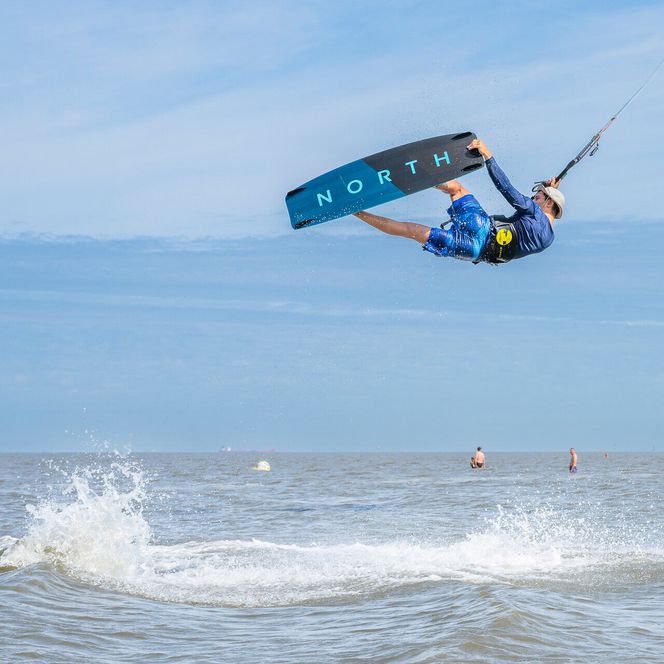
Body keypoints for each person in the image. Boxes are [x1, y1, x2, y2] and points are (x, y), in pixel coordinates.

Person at [354, 138, 565, 265]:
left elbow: (506, 188)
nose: (532, 198)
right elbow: (532, 220)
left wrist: (488, 156)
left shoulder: (533, 212)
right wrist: (550, 192)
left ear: (548, 204)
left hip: (481, 225)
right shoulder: (547, 240)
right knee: (415, 231)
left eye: (537, 196)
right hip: (475, 251)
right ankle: (357, 212)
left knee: (455, 188)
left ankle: (418, 177)